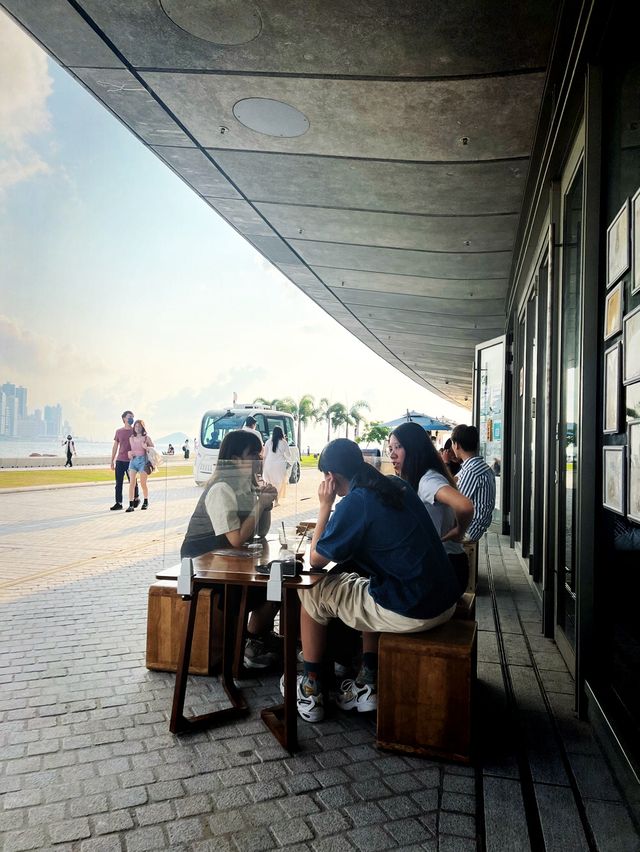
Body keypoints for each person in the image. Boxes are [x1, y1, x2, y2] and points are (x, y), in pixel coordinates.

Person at [293, 439, 460, 722]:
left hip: (414, 608)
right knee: (366, 583)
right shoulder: (397, 485)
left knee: (311, 593)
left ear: (330, 477)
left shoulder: (356, 502)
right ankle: (367, 681)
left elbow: (316, 559)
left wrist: (324, 506)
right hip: (444, 599)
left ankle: (312, 690)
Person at [180, 430, 280, 669]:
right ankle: (249, 644)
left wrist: (265, 505)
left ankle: (254, 639)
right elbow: (236, 539)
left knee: (279, 584)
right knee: (269, 588)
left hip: (225, 560)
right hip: (202, 565)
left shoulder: (245, 485)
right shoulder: (221, 488)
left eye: (260, 454)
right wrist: (260, 504)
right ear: (235, 460)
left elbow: (260, 532)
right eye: (253, 455)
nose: (259, 459)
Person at [389, 422, 474, 593]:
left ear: (414, 449)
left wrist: (459, 531)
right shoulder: (421, 478)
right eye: (390, 448)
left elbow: (465, 506)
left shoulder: (427, 480)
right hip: (443, 566)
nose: (392, 454)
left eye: (398, 447)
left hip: (445, 570)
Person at [451, 424, 496, 540]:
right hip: (476, 526)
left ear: (457, 445)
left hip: (469, 530)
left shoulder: (471, 471)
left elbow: (457, 503)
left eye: (452, 444)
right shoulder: (482, 466)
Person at [110, 410, 138, 511]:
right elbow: (115, 446)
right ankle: (118, 503)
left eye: (132, 417)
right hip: (120, 460)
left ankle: (136, 498)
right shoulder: (119, 431)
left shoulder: (135, 431)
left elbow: (139, 444)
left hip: (131, 461)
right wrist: (112, 460)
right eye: (129, 417)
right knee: (118, 483)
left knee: (133, 482)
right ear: (124, 418)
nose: (131, 419)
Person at [126, 419, 154, 512]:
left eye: (140, 426)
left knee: (143, 483)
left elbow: (153, 449)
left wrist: (146, 447)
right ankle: (131, 505)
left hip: (143, 462)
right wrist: (129, 453)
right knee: (132, 483)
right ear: (134, 427)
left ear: (143, 428)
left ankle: (145, 502)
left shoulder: (146, 438)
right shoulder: (131, 438)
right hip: (133, 462)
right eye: (136, 426)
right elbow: (129, 450)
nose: (137, 428)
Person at [262, 425, 292, 504]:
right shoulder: (284, 442)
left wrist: (263, 466)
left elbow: (264, 455)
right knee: (278, 483)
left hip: (269, 464)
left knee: (270, 483)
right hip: (279, 465)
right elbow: (289, 455)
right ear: (281, 433)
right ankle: (276, 501)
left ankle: (269, 499)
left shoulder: (268, 442)